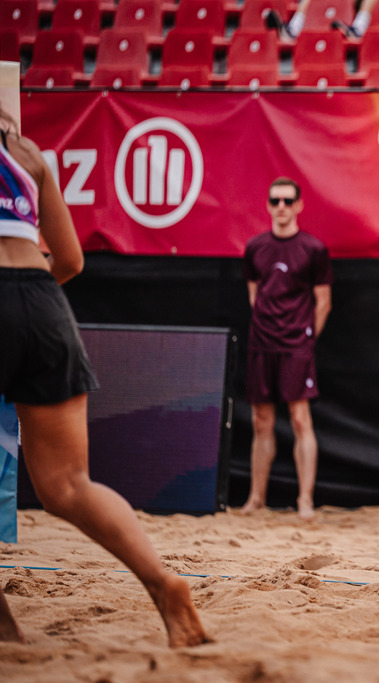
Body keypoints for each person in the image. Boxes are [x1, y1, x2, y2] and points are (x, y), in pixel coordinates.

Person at [0, 105, 208, 647]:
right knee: (69, 485)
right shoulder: (27, 155)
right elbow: (69, 260)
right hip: (43, 301)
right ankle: (163, 585)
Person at [240, 178, 332, 522]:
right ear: (267, 204)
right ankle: (255, 498)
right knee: (261, 421)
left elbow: (323, 303)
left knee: (299, 419)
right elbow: (254, 294)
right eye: (274, 200)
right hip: (261, 342)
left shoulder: (313, 248)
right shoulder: (255, 247)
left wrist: (306, 339)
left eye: (287, 200)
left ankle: (304, 500)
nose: (280, 206)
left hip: (297, 345)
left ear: (298, 205)